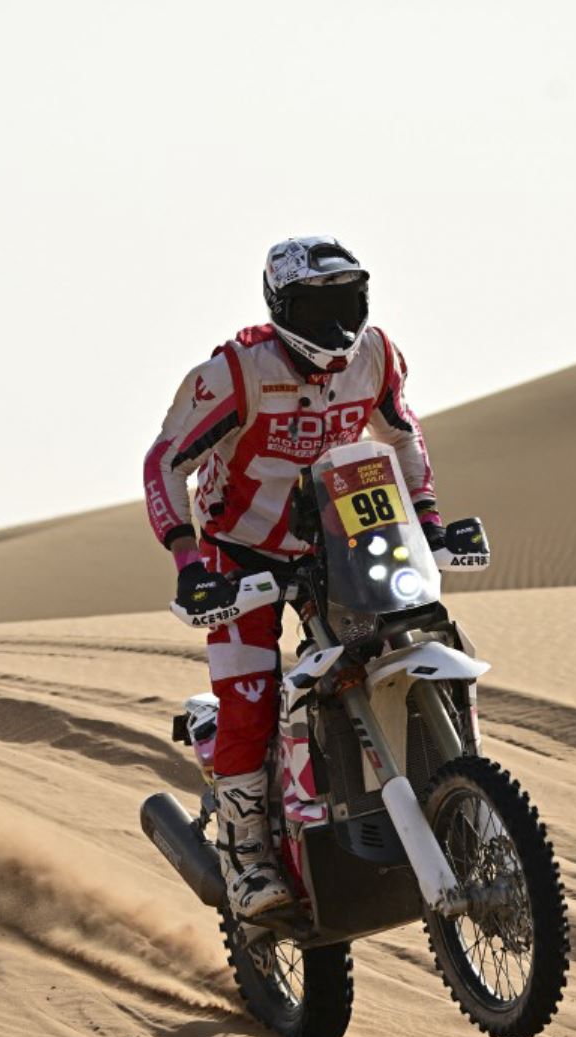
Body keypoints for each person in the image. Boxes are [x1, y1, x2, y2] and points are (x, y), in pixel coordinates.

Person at [143, 236, 446, 919]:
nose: (336, 324)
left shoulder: (376, 356)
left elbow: (402, 433)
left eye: (347, 301)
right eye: (317, 307)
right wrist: (187, 560)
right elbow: (165, 463)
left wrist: (425, 515)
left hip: (335, 542)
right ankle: (247, 856)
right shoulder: (236, 373)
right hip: (236, 553)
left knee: (393, 644)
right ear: (281, 307)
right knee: (251, 692)